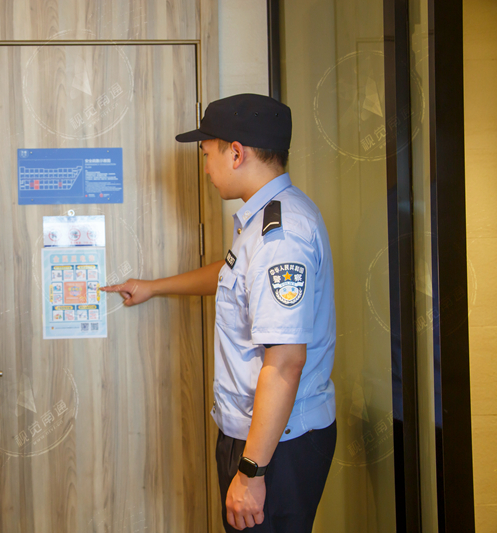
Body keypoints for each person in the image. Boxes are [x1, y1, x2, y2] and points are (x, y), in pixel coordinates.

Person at [103, 94, 337, 532]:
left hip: (273, 445)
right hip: (261, 438)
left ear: (236, 153)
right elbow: (233, 276)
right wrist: (155, 287)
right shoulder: (265, 219)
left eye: (207, 154)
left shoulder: (279, 237)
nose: (206, 168)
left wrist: (251, 473)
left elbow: (286, 362)